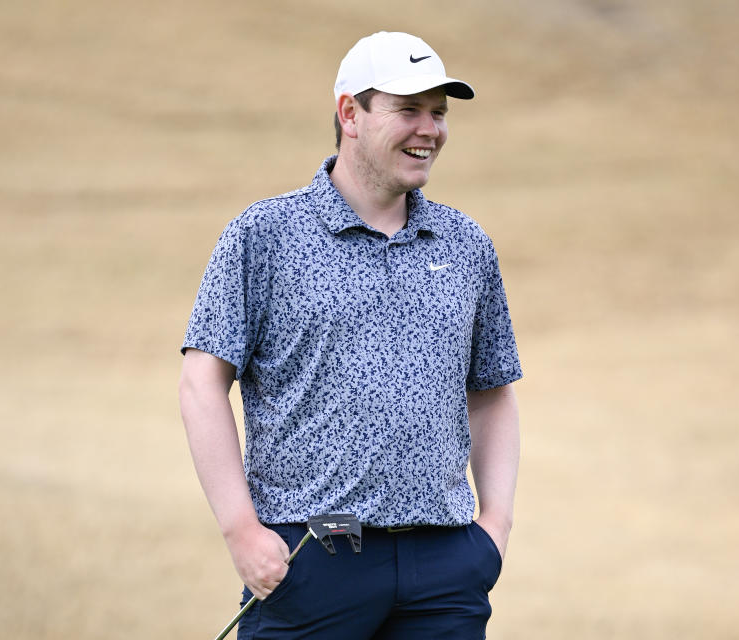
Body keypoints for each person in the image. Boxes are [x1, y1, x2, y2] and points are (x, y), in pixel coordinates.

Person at [179, 31, 522, 639]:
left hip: (445, 570)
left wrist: (492, 530)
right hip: (312, 560)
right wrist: (242, 532)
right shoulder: (264, 236)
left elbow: (492, 389)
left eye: (438, 113)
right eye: (408, 109)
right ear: (350, 114)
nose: (430, 129)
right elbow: (202, 383)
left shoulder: (467, 245)